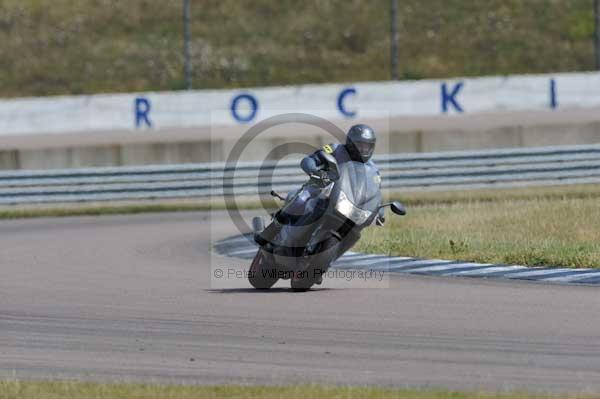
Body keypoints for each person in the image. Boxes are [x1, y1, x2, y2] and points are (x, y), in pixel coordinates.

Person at [255, 124, 384, 247]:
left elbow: (375, 192)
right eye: (359, 145)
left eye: (366, 147)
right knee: (300, 199)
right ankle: (271, 231)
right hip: (320, 187)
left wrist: (379, 211)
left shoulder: (373, 170)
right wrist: (315, 171)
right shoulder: (335, 149)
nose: (362, 150)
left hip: (345, 198)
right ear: (350, 143)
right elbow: (309, 160)